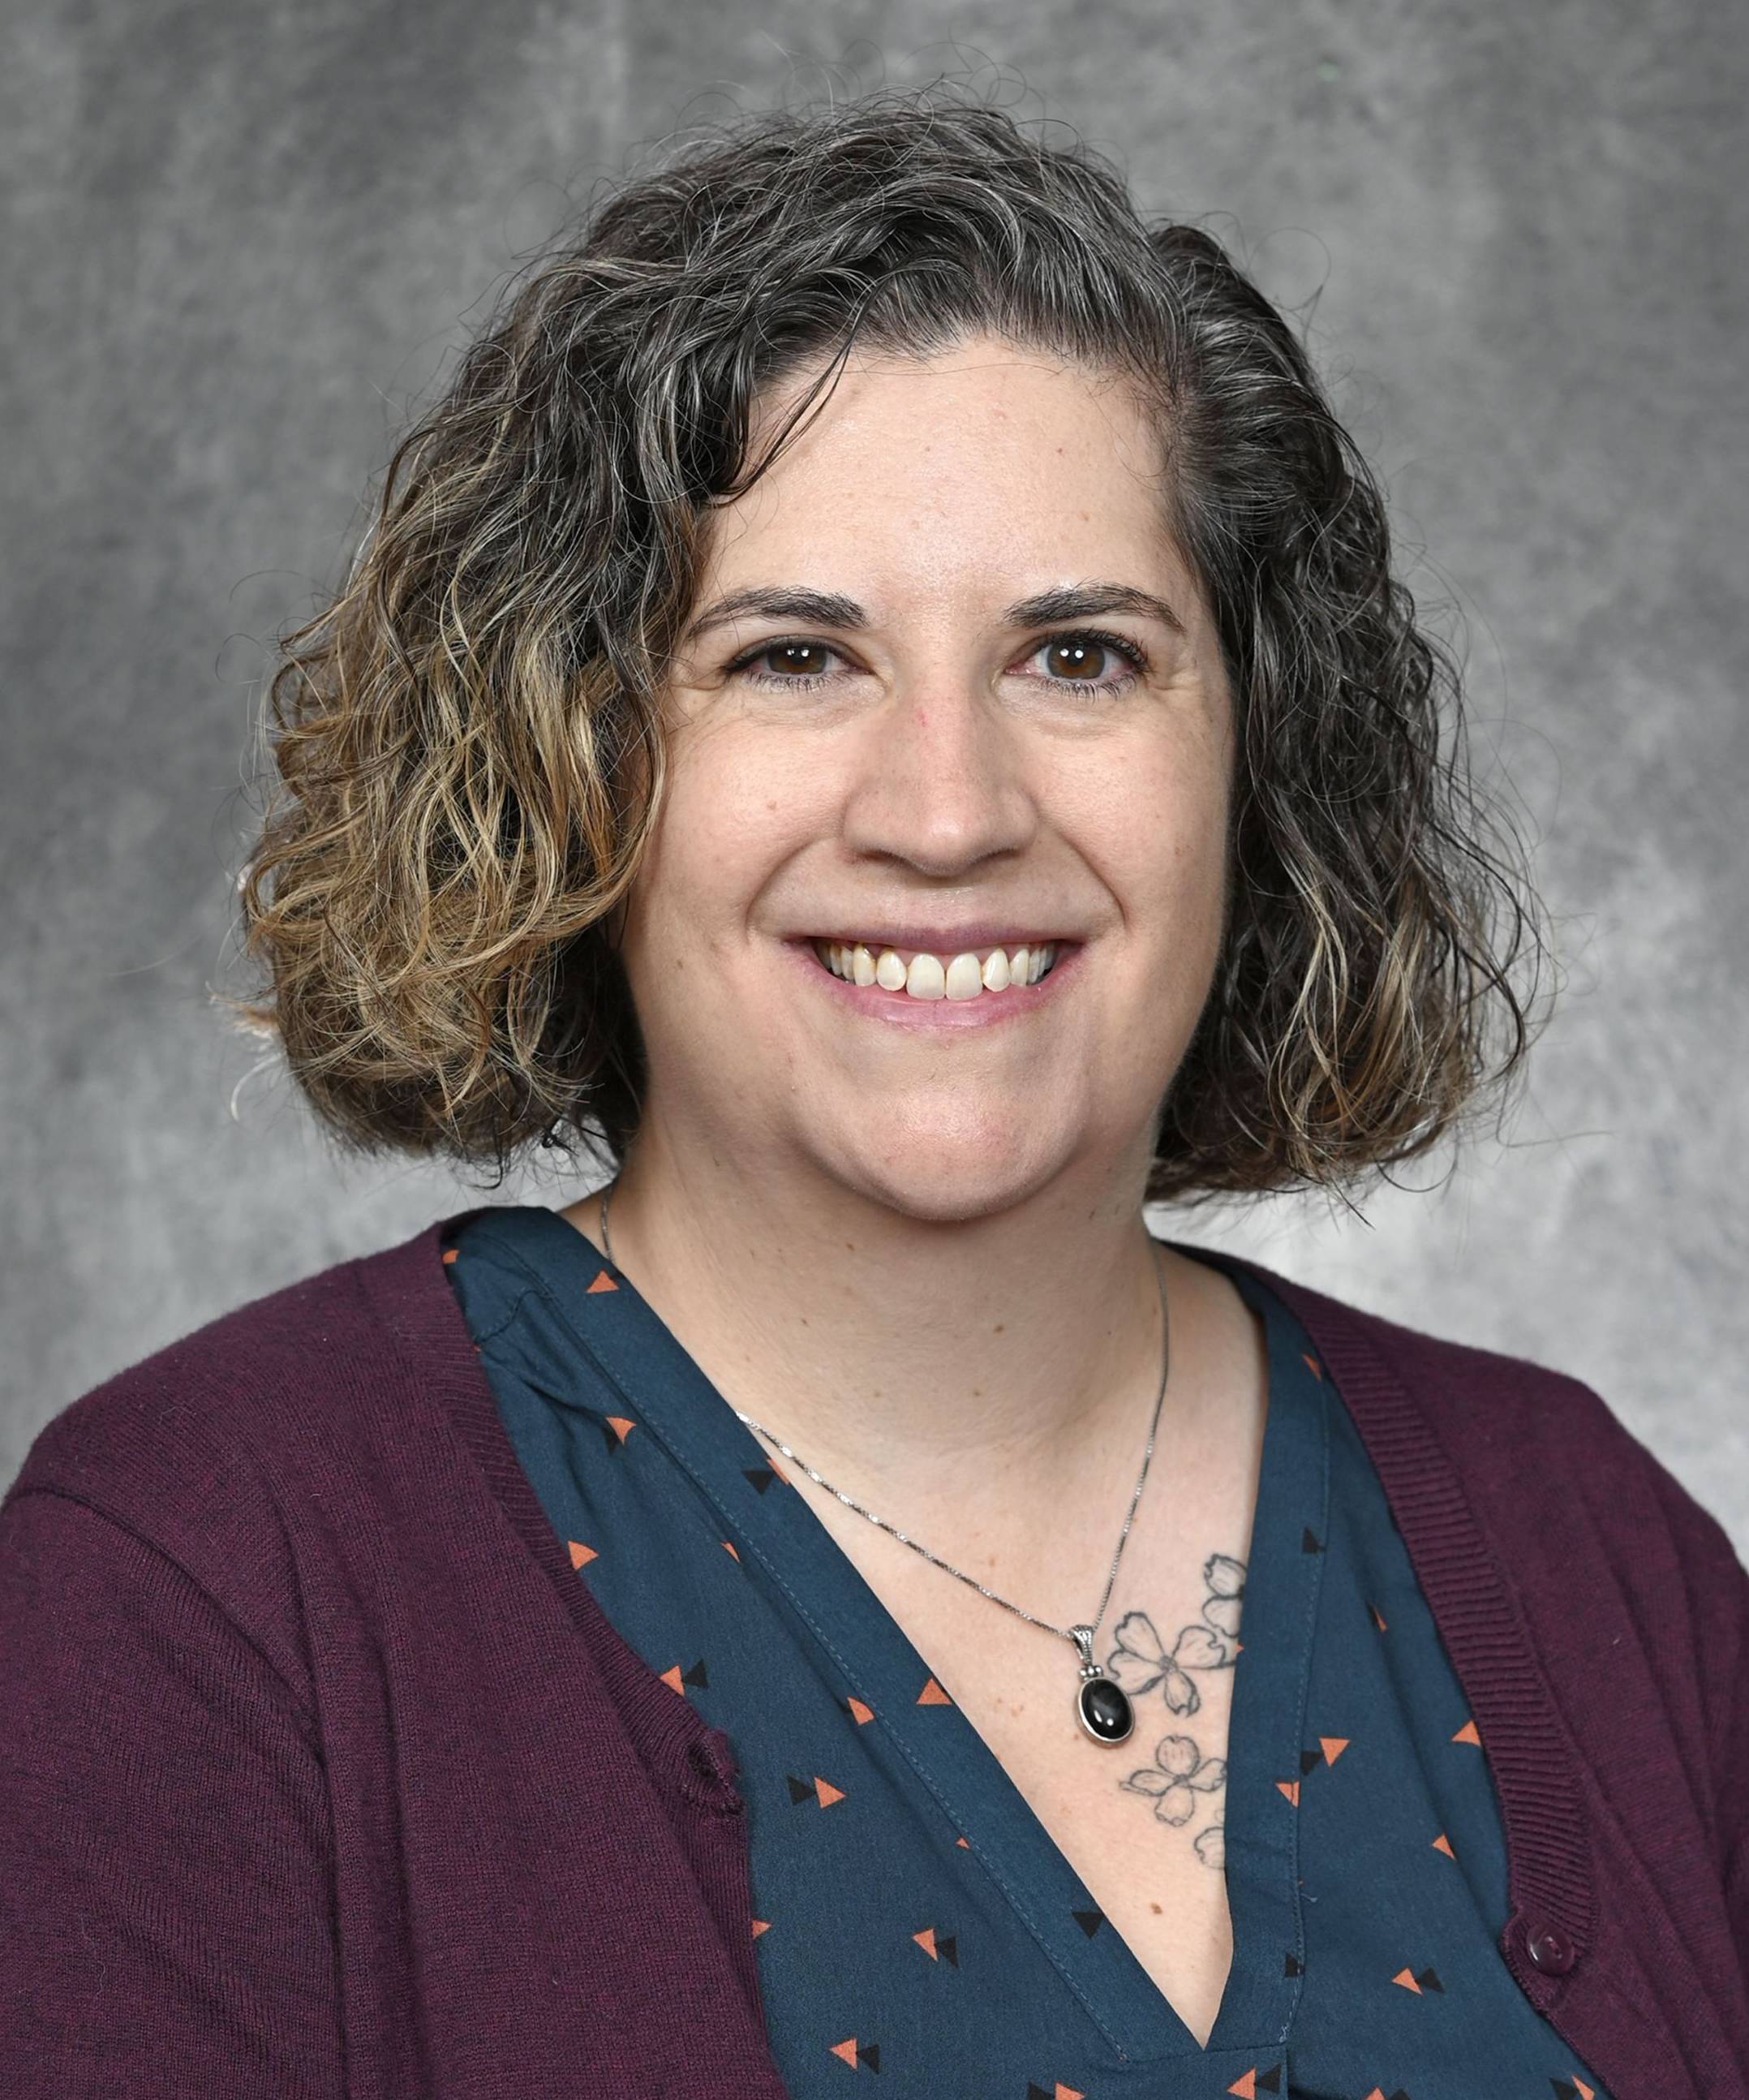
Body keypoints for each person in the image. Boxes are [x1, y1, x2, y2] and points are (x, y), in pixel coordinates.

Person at [2, 88, 1743, 2100]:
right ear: (573, 762)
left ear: (1257, 763)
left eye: (1079, 656)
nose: (947, 812)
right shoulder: (207, 1582)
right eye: (791, 658)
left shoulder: (1588, 1545)